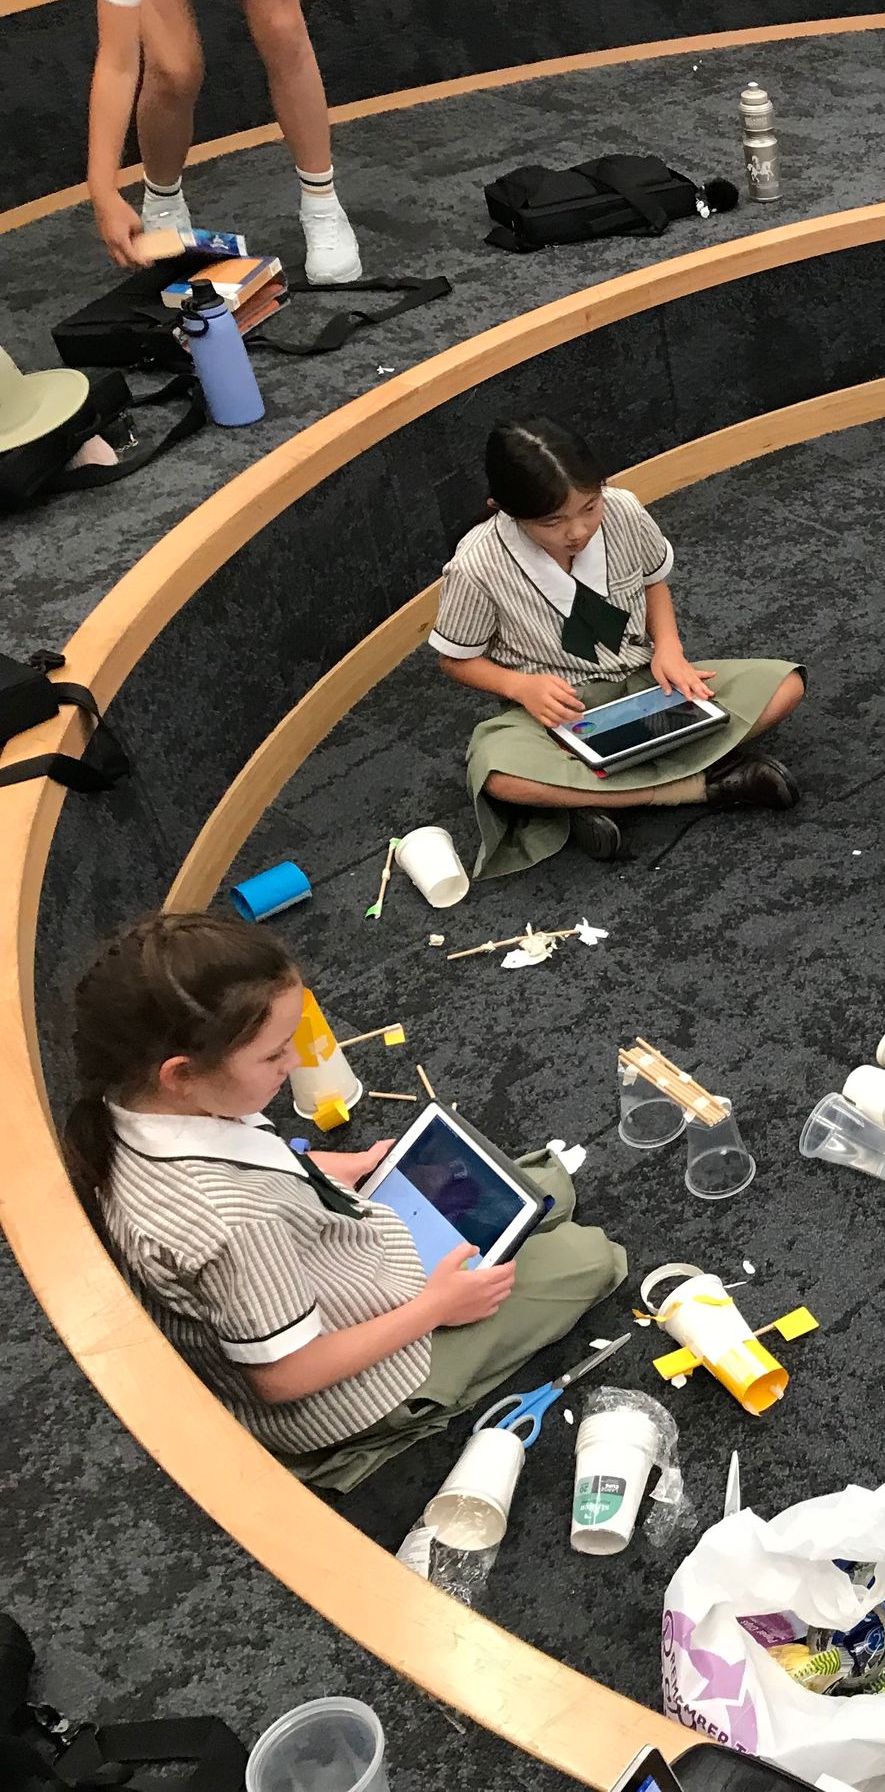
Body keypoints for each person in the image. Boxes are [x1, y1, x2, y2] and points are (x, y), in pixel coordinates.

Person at [62, 913, 627, 1490]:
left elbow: (251, 1166)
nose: (294, 1063)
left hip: (329, 1267)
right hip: (341, 1388)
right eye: (274, 1055)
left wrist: (337, 1168)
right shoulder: (232, 1223)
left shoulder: (137, 1105)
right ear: (182, 1074)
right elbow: (284, 1376)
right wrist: (435, 1309)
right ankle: (379, 1435)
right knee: (589, 1258)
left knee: (538, 1188)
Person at [429, 418, 807, 877]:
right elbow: (455, 660)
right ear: (503, 509)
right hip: (557, 712)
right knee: (499, 774)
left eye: (590, 507)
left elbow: (653, 582)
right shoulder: (476, 565)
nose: (577, 531)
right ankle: (696, 786)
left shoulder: (623, 509)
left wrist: (669, 647)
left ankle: (590, 798)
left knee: (785, 685)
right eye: (552, 521)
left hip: (646, 684)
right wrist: (519, 687)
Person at [81, 0, 363, 282]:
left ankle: (322, 205)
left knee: (282, 28)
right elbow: (116, 65)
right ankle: (163, 204)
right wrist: (103, 193)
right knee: (175, 68)